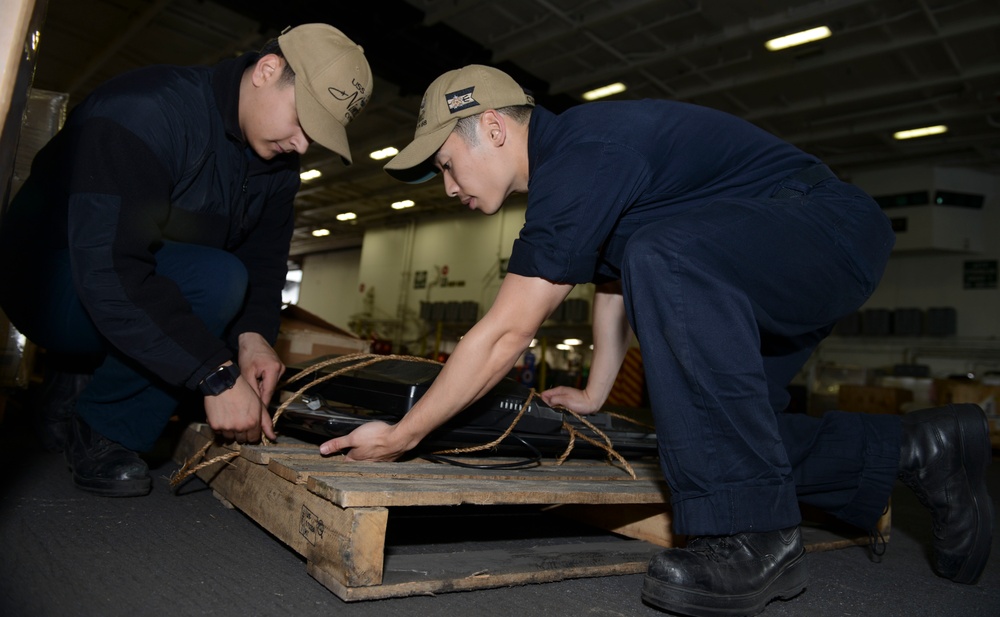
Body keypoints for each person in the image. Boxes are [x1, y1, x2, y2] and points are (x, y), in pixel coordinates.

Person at [320, 64, 993, 615]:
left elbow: (506, 331)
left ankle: (753, 533)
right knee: (721, 429)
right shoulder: (582, 169)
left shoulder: (583, 155)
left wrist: (405, 432)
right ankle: (919, 450)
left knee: (664, 258)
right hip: (772, 254)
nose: (448, 186)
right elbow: (612, 283)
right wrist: (596, 387)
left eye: (446, 163)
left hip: (824, 228)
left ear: (491, 127)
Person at [0, 24, 372, 498]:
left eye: (318, 136)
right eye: (304, 121)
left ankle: (79, 379)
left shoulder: (278, 166)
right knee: (215, 285)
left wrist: (254, 338)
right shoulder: (143, 112)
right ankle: (104, 428)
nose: (302, 145)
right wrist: (215, 374)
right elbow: (111, 269)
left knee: (226, 279)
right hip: (51, 278)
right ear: (267, 70)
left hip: (132, 273)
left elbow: (264, 259)